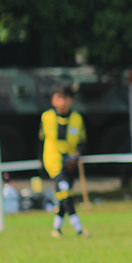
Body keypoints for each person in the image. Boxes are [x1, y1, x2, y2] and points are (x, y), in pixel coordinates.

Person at [39, 86, 88, 238]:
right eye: (58, 98)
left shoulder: (77, 118)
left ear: (71, 100)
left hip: (70, 162)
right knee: (65, 191)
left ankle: (56, 229)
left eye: (65, 98)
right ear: (53, 100)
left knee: (63, 195)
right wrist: (40, 161)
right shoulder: (46, 117)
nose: (62, 102)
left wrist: (76, 157)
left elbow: (82, 141)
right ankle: (79, 229)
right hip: (53, 161)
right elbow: (40, 140)